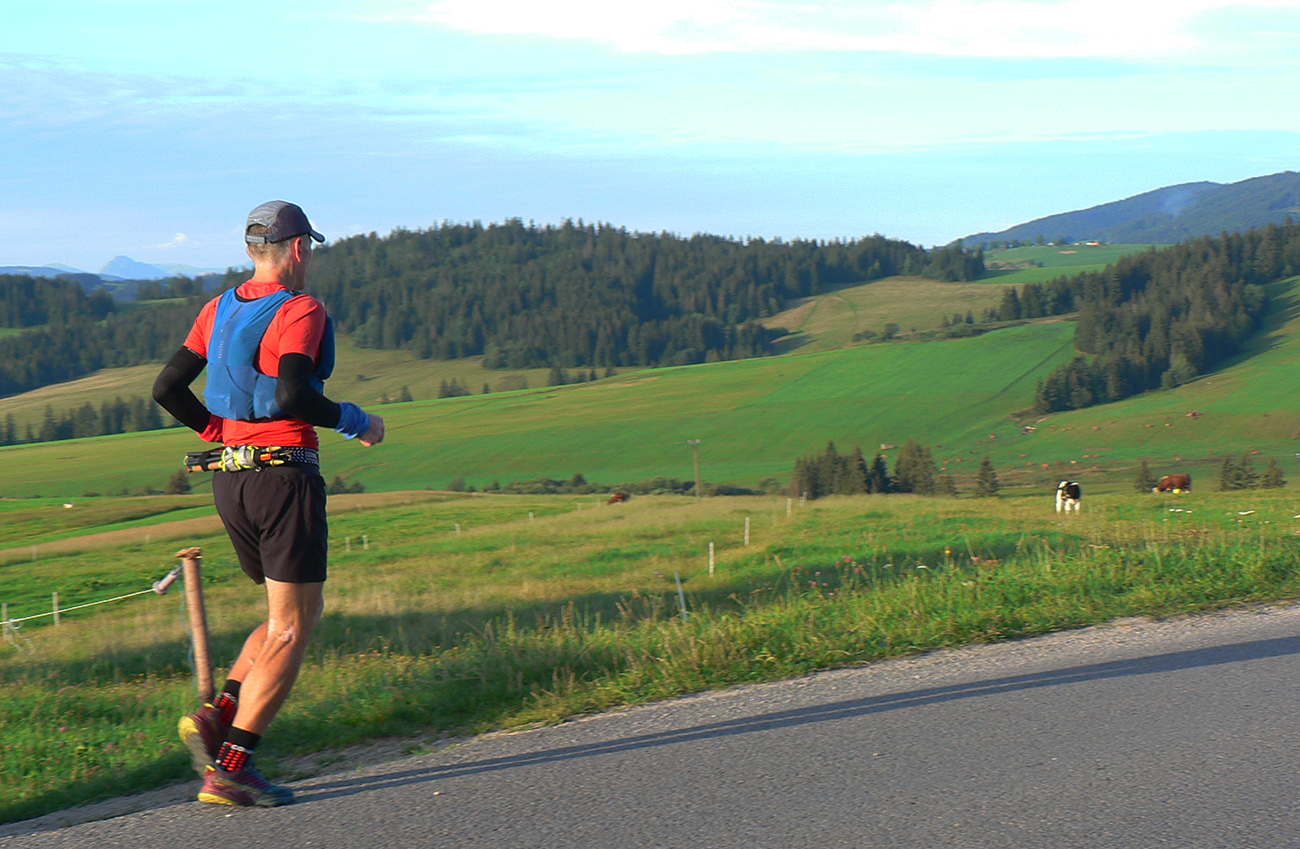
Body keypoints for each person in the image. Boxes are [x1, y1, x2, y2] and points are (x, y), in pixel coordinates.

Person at [152, 200, 384, 807]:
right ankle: (231, 765)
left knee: (288, 613)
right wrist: (356, 421)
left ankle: (218, 715)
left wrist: (214, 432)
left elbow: (167, 388)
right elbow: (292, 394)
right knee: (292, 626)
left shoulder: (217, 309)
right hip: (284, 476)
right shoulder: (300, 308)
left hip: (231, 482)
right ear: (298, 249)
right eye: (310, 249)